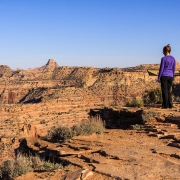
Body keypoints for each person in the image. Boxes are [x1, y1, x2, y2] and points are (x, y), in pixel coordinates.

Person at [158, 44, 176, 108]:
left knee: (164, 91)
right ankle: (170, 105)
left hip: (164, 76)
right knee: (169, 91)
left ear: (164, 51)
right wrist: (172, 76)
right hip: (171, 76)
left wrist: (159, 77)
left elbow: (161, 69)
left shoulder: (163, 59)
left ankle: (165, 106)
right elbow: (174, 68)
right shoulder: (173, 59)